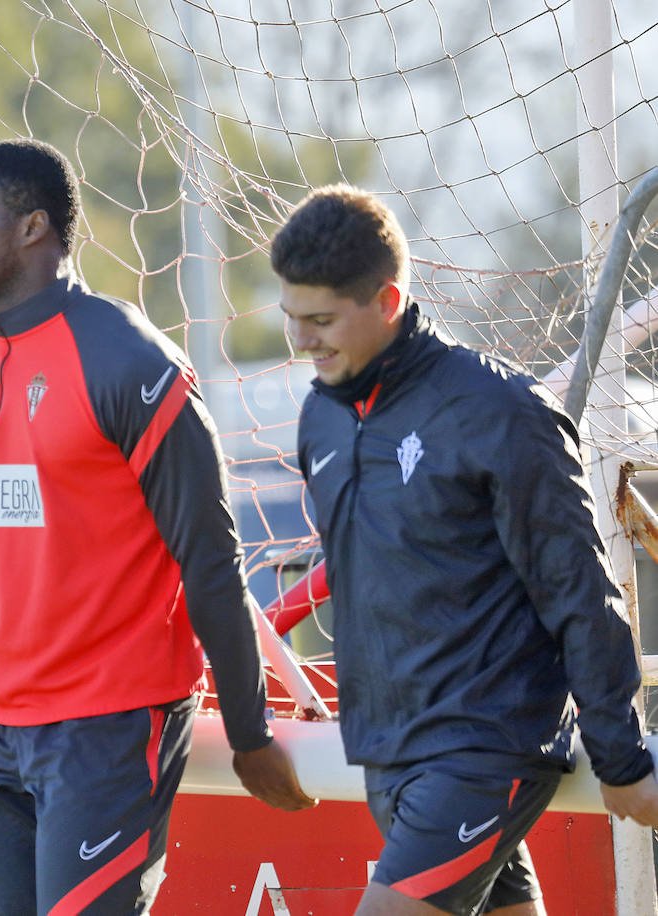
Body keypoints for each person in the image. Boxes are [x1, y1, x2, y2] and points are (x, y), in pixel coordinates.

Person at [0, 138, 315, 915]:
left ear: (34, 226)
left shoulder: (128, 360)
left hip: (105, 729)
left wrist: (248, 732)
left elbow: (211, 560)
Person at [272, 184, 658, 916]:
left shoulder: (501, 414)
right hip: (389, 752)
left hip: (485, 750)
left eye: (321, 320)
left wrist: (622, 757)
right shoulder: (321, 416)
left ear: (387, 302)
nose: (301, 340)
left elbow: (581, 591)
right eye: (292, 318)